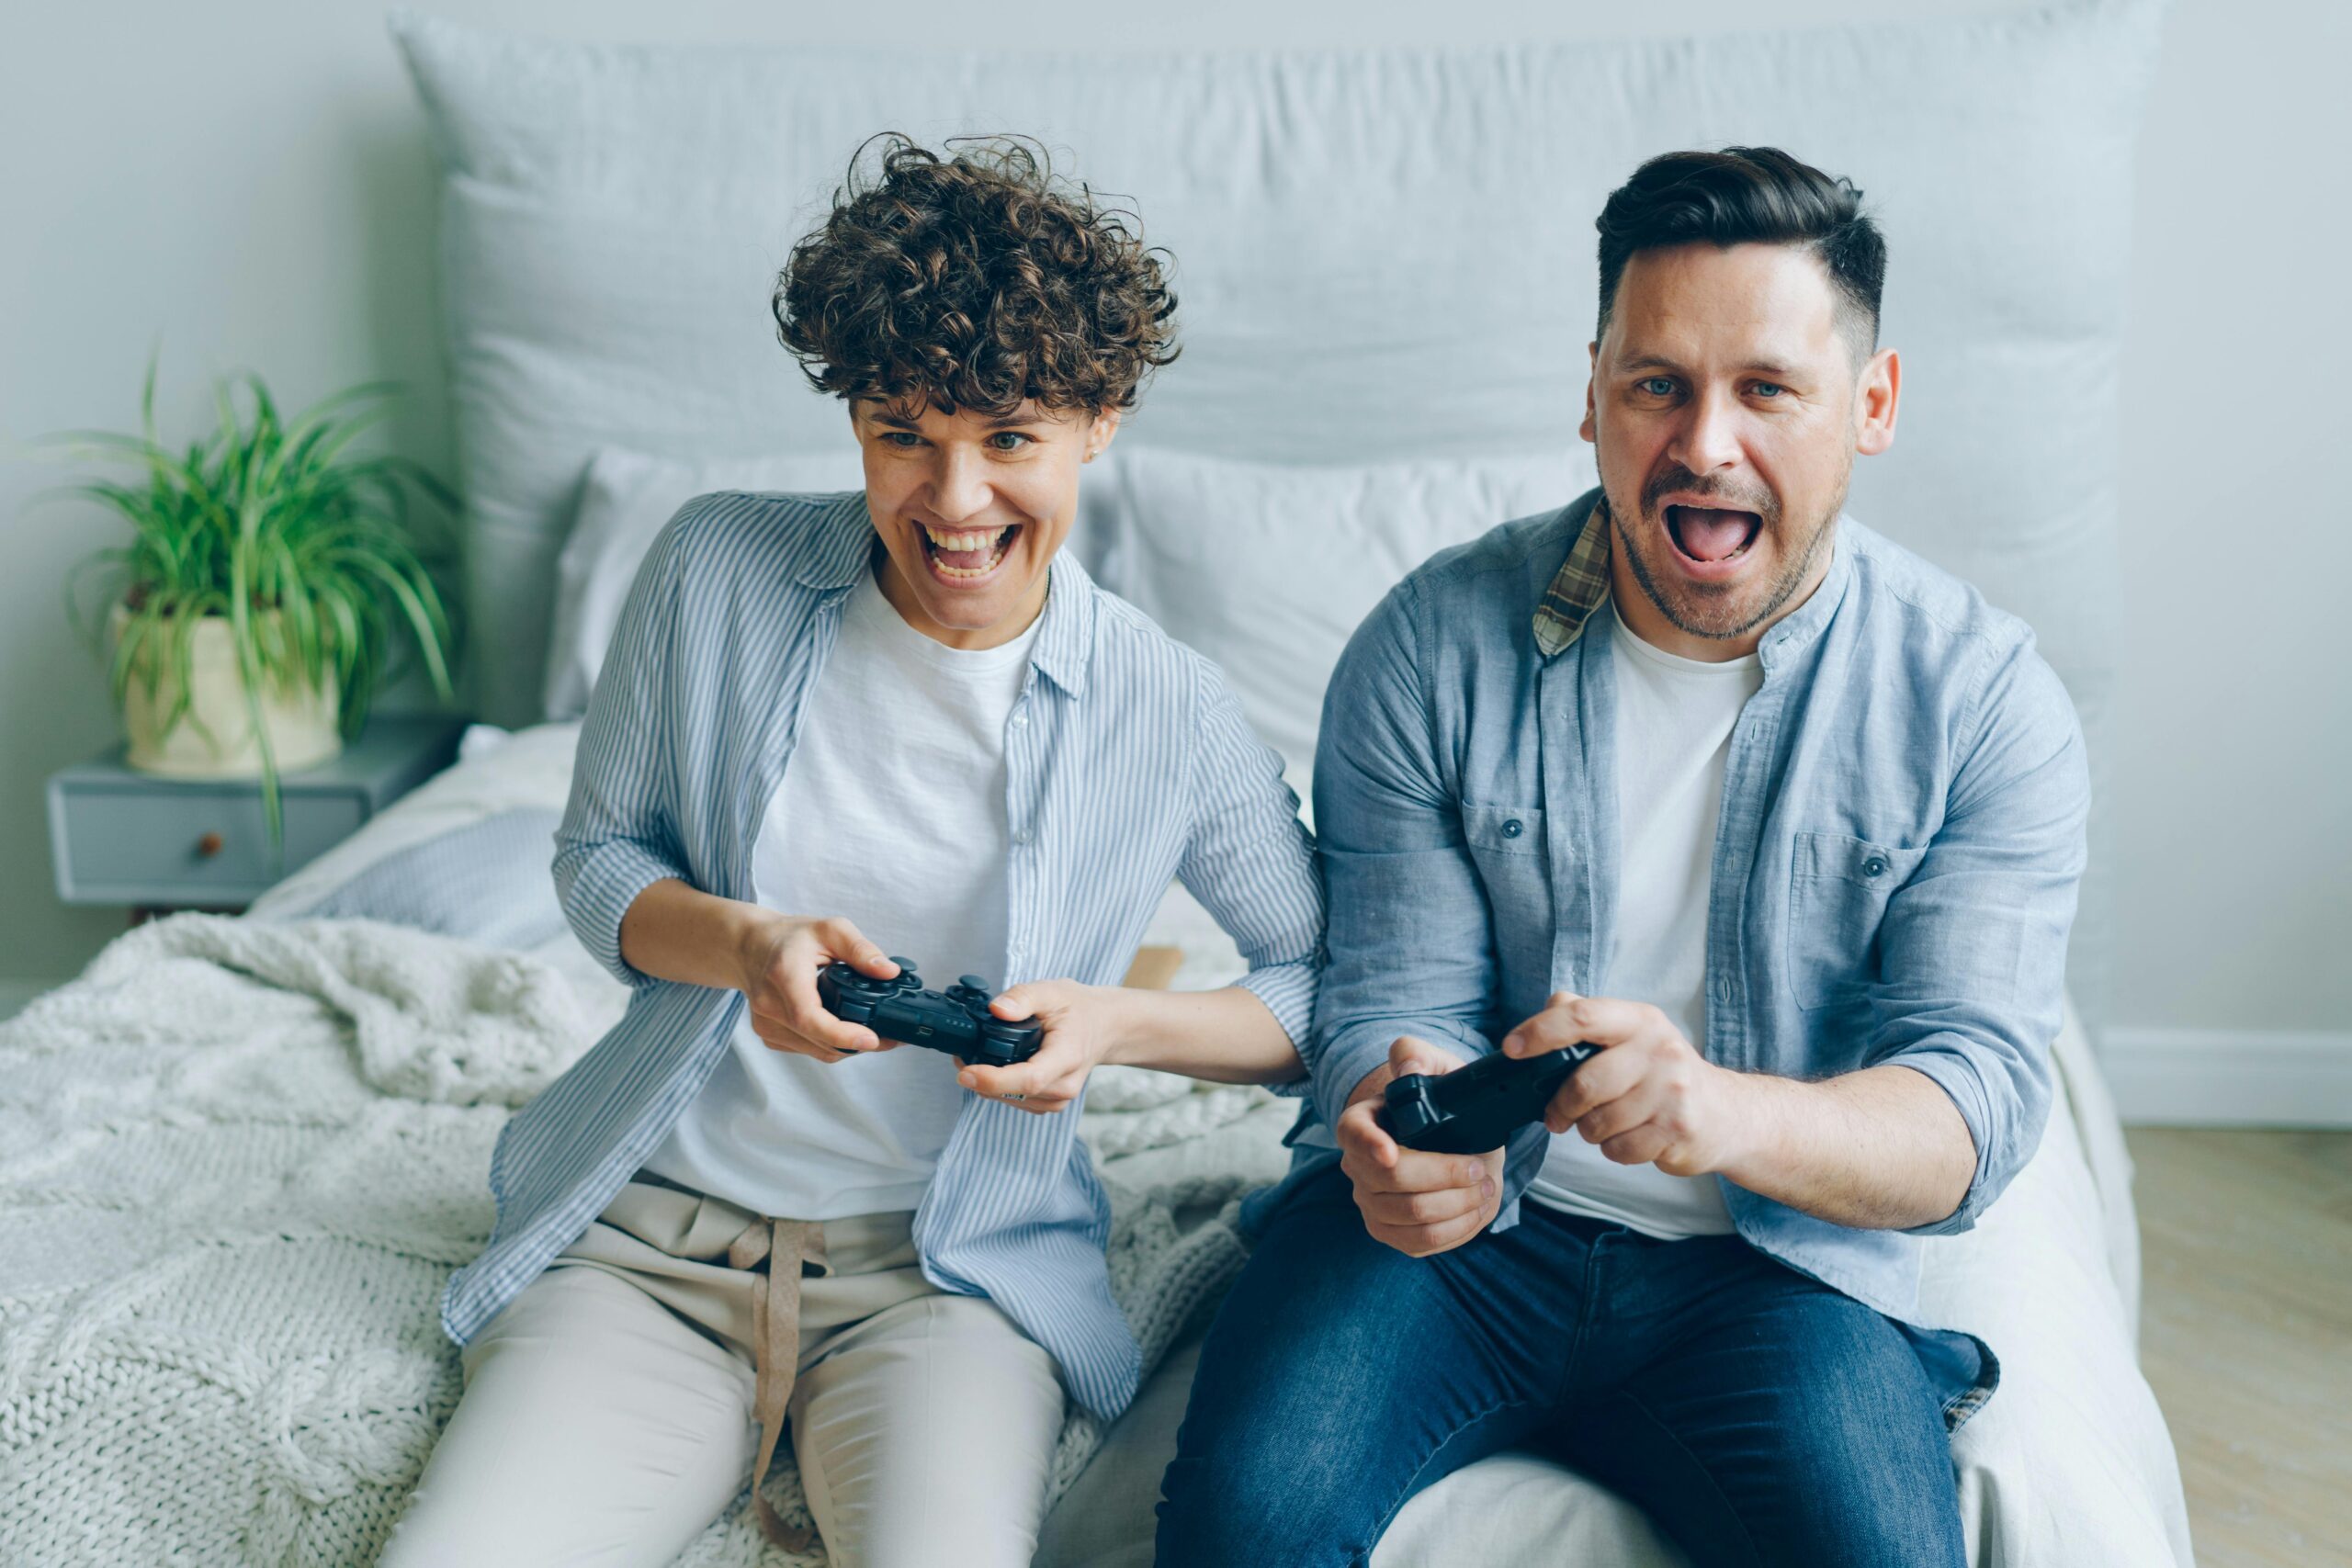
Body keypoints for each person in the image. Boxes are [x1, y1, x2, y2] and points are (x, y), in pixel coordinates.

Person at [379, 136, 1321, 1568]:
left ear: (1101, 420)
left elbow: (1328, 986)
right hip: (650, 1248)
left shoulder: (1168, 707)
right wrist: (750, 949)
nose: (953, 502)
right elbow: (599, 860)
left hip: (947, 1281)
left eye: (1009, 439)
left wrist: (1114, 1025)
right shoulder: (712, 573)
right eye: (903, 433)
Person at [1157, 145, 2089, 1567]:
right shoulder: (1428, 646)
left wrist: (1724, 1116)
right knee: (1241, 1526)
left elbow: (1971, 1107)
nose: (1706, 443)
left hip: (1776, 1275)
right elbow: (1387, 991)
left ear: (1872, 405)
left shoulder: (1983, 702)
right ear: (1593, 391)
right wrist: (1398, 1120)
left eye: (1767, 388)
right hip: (1457, 1252)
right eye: (1659, 383)